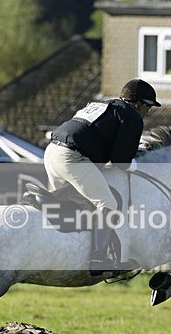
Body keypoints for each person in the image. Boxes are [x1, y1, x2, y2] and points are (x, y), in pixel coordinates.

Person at [44, 78, 161, 275]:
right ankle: (98, 257)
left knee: (61, 203)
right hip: (72, 157)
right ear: (138, 104)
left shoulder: (102, 105)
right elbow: (120, 161)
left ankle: (63, 250)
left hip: (52, 152)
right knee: (108, 204)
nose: (148, 113)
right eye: (148, 107)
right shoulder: (131, 116)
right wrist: (138, 164)